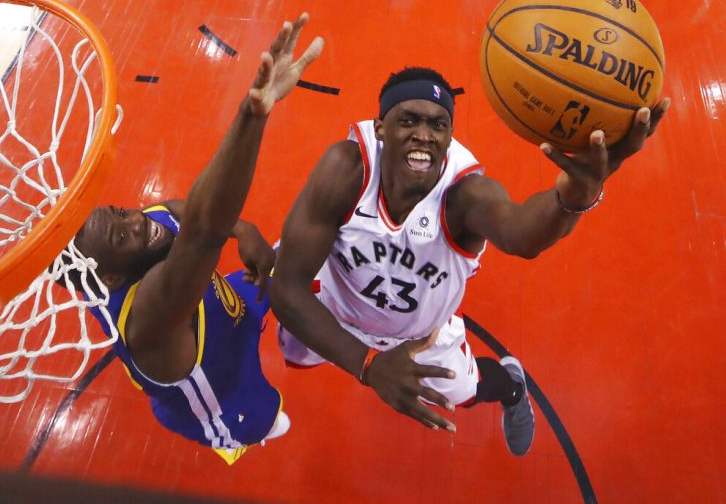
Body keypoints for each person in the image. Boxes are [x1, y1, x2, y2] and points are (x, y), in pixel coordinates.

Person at [270, 66, 669, 456]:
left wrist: (574, 197)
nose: (423, 136)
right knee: (267, 311)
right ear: (380, 129)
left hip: (419, 337)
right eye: (408, 121)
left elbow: (522, 235)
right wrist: (368, 366)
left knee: (472, 391)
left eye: (438, 125)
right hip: (337, 314)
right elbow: (287, 290)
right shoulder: (347, 169)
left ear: (449, 135)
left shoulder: (465, 195)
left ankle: (512, 386)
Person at [70, 13, 323, 464]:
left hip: (222, 305)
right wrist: (253, 114)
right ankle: (253, 435)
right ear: (108, 276)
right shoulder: (149, 318)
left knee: (275, 275)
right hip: (225, 398)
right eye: (122, 234)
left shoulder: (139, 231)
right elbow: (203, 229)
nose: (136, 221)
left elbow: (174, 210)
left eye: (120, 212)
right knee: (271, 419)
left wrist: (242, 229)